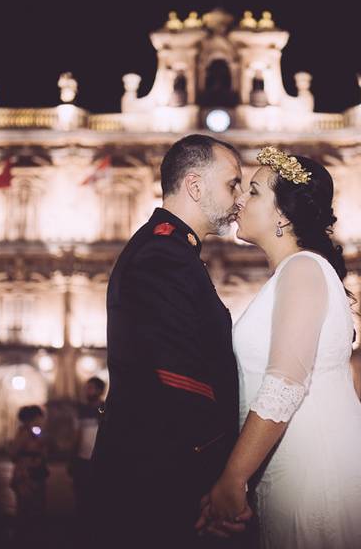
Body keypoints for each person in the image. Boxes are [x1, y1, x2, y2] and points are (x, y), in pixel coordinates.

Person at [197, 146, 361, 548]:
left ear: (282, 214)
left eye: (254, 192)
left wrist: (233, 477)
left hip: (314, 463)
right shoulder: (295, 272)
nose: (239, 201)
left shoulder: (303, 268)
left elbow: (285, 383)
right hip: (297, 458)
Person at [92, 134, 246, 547]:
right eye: (233, 184)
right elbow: (179, 378)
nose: (239, 198)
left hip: (157, 469)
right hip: (159, 477)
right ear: (195, 186)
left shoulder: (172, 251)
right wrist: (219, 475)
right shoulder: (163, 255)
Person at [69, 377, 105, 546]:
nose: (87, 391)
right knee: (80, 494)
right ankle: (82, 527)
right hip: (82, 459)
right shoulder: (81, 410)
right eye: (86, 388)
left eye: (91, 388)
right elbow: (76, 436)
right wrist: (72, 456)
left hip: (100, 459)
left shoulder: (105, 409)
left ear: (99, 390)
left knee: (97, 494)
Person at [9, 405, 48, 540]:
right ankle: (24, 537)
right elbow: (13, 453)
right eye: (39, 417)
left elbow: (45, 450)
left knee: (36, 506)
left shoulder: (36, 432)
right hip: (25, 473)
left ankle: (30, 535)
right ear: (30, 419)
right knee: (25, 506)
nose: (42, 420)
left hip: (36, 472)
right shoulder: (23, 433)